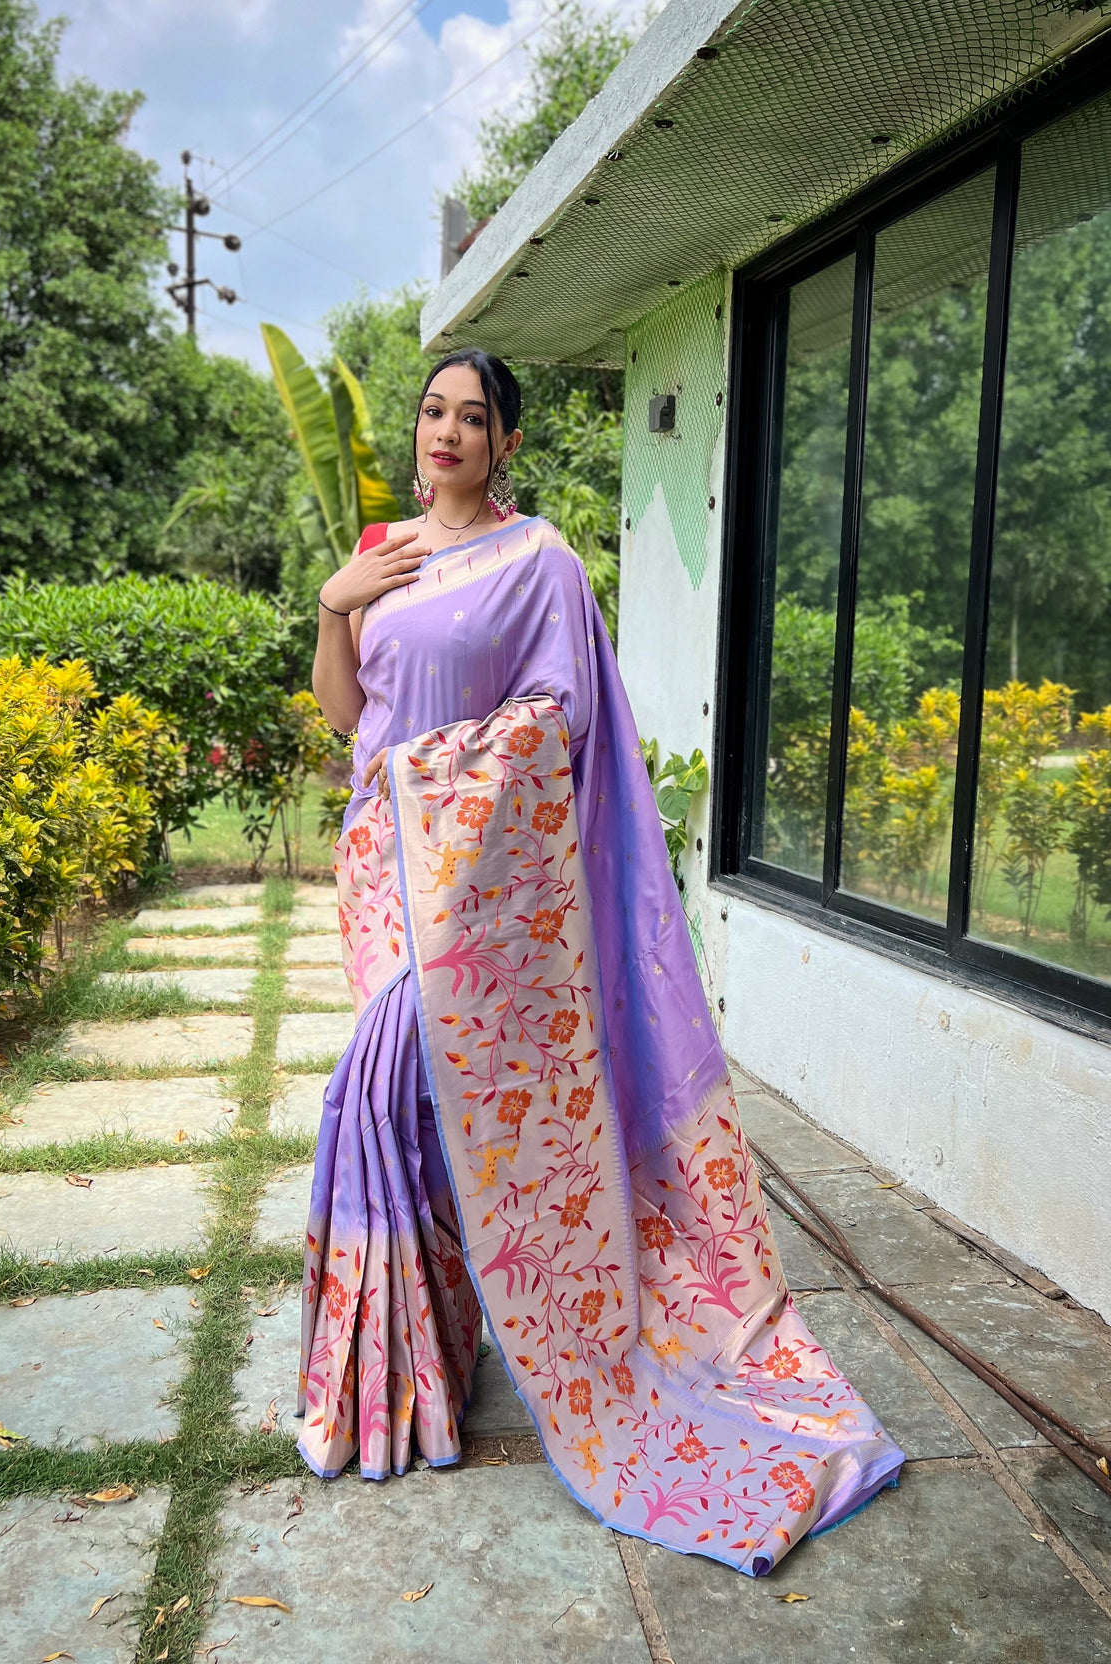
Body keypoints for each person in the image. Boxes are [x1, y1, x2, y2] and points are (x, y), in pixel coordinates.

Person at [299, 347, 903, 1576]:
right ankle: (416, 1369)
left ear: (507, 439)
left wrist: (446, 790)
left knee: (399, 1091)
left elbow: (558, 727)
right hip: (383, 883)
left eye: (474, 416)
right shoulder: (378, 554)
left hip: (472, 897)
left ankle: (438, 1356)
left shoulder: (541, 563)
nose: (448, 431)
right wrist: (334, 599)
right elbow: (346, 719)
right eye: (433, 411)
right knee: (404, 1110)